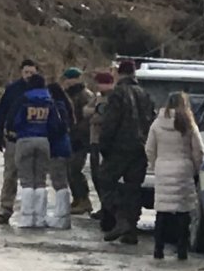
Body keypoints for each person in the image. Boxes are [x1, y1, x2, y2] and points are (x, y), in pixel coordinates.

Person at [98, 60, 155, 245]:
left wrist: (104, 145)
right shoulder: (145, 94)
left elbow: (110, 122)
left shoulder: (118, 94)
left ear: (119, 73)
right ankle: (131, 229)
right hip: (140, 148)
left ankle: (120, 217)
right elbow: (151, 120)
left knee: (104, 180)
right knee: (133, 189)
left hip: (119, 147)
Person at [146, 93, 204, 260]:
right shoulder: (188, 124)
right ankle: (181, 250)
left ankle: (158, 249)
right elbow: (199, 150)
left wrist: (156, 164)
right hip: (183, 169)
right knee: (183, 212)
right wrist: (195, 167)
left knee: (162, 211)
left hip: (163, 169)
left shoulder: (157, 124)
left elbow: (149, 149)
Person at [6, 74, 65, 228]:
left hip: (25, 139)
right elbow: (56, 124)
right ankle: (39, 217)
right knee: (40, 180)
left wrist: (14, 131)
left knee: (27, 180)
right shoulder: (49, 100)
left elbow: (11, 120)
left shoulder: (23, 99)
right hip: (43, 140)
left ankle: (27, 218)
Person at [0, 59, 38, 225]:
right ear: (21, 72)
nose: (28, 76)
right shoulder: (12, 90)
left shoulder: (40, 90)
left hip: (33, 138)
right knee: (10, 175)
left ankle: (31, 211)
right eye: (26, 72)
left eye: (32, 73)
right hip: (13, 138)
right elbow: (1, 112)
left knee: (32, 177)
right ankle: (5, 209)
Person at [62, 68, 96, 215]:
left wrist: (77, 132)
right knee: (69, 170)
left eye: (70, 79)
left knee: (74, 169)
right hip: (70, 137)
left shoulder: (85, 95)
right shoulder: (68, 94)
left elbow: (87, 118)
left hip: (80, 139)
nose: (67, 82)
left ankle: (84, 199)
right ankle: (77, 198)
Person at [85, 72, 114, 225]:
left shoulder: (113, 98)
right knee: (95, 175)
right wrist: (95, 111)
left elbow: (107, 117)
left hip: (105, 142)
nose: (98, 86)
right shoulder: (97, 98)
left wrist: (97, 115)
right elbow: (86, 111)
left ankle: (108, 207)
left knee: (104, 177)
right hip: (94, 141)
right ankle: (103, 205)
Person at [46, 82, 74, 229]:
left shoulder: (56, 107)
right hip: (64, 146)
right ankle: (62, 215)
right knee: (61, 181)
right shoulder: (64, 105)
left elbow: (56, 128)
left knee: (59, 182)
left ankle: (62, 216)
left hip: (57, 148)